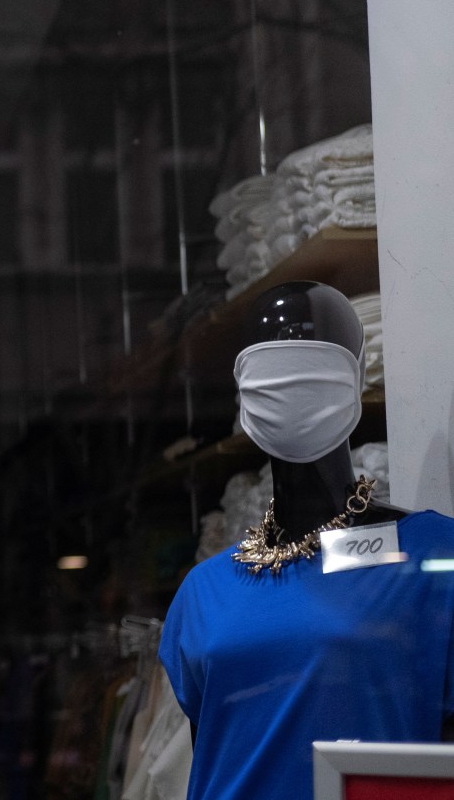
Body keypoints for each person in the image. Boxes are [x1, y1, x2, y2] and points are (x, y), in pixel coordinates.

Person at [160, 280, 454, 800]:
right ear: (245, 388)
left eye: (313, 361)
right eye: (272, 366)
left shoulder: (431, 558)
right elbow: (215, 752)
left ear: (355, 374)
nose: (292, 385)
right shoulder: (203, 593)